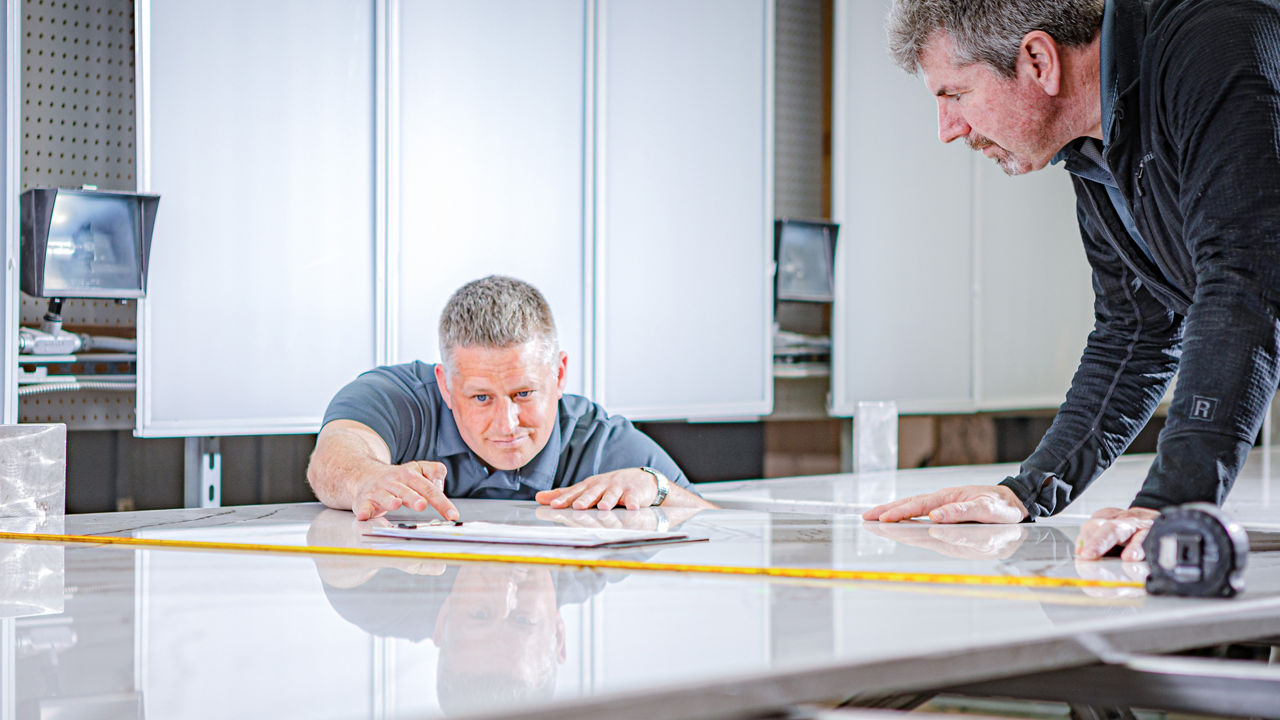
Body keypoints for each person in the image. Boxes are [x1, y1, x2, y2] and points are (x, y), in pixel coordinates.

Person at [862, 0, 1280, 561]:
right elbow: (1136, 332)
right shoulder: (1094, 146)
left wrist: (1172, 503)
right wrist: (1027, 490)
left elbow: (1246, 282)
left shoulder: (1216, 43)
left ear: (1039, 60)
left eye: (955, 95)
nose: (947, 130)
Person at [307, 274, 714, 521]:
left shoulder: (600, 442)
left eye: (524, 393)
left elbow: (716, 530)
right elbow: (334, 457)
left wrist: (659, 489)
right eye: (481, 398)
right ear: (445, 385)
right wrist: (368, 478)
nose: (507, 424)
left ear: (558, 376)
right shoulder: (398, 399)